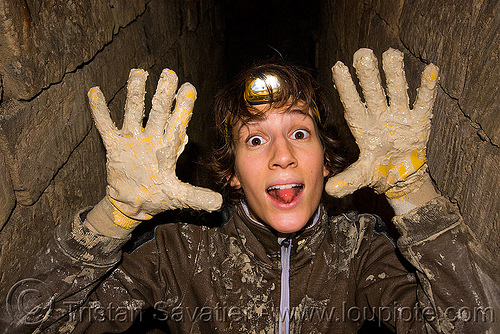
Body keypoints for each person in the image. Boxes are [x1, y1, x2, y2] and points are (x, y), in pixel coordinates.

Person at [1, 48, 497, 333]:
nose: (282, 155)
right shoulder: (181, 253)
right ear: (233, 172)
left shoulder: (360, 251)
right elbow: (24, 322)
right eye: (255, 139)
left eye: (300, 132)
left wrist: (413, 192)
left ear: (327, 159)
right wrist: (112, 219)